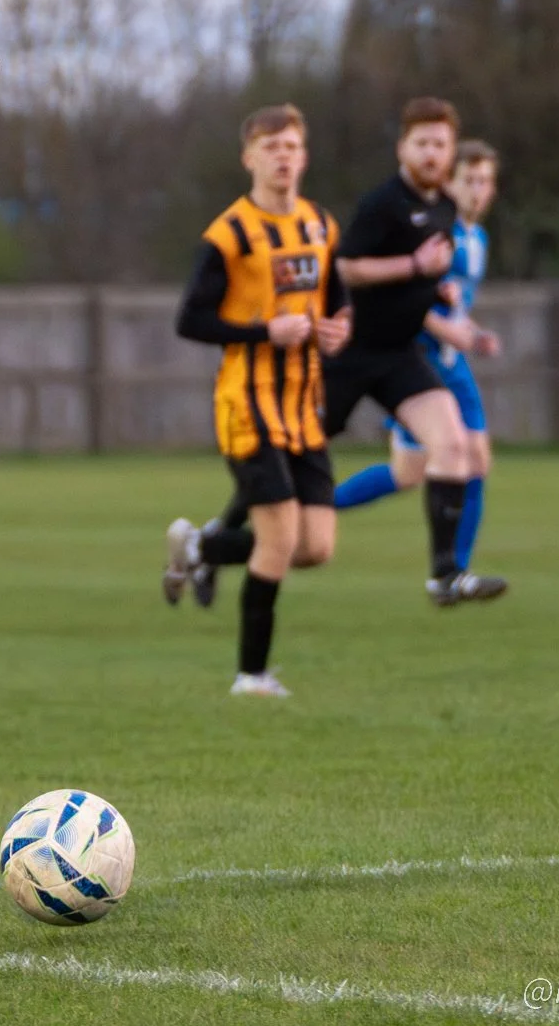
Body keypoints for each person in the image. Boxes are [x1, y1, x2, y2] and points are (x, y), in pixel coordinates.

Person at [159, 105, 350, 698]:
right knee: (278, 539)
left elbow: (335, 301)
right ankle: (251, 675)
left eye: (292, 145)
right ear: (249, 158)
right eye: (271, 147)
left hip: (303, 407)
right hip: (247, 406)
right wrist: (265, 332)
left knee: (316, 548)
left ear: (305, 155)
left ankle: (201, 546)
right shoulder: (229, 235)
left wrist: (337, 329)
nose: (283, 156)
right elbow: (191, 320)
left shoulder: (320, 225)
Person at [320, 98, 505, 607]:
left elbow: (439, 292)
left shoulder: (472, 234)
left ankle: (451, 572)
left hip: (443, 363)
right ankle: (308, 509)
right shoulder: (401, 211)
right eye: (470, 179)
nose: (477, 190)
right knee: (412, 471)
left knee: (466, 458)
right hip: (401, 353)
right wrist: (447, 328)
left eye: (486, 181)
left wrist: (467, 328)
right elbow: (367, 276)